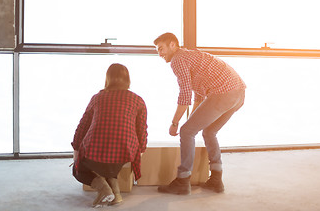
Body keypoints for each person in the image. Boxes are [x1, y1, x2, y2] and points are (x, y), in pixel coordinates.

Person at [154, 32, 246, 195]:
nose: (159, 54)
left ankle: (183, 181)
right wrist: (192, 121)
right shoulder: (191, 56)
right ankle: (216, 180)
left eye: (161, 49)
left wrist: (175, 123)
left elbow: (184, 94)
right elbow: (198, 94)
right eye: (157, 50)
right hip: (238, 94)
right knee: (209, 131)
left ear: (173, 45)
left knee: (186, 131)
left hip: (223, 93)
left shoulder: (178, 59)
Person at [71, 63, 148, 208]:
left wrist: (76, 149)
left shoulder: (97, 98)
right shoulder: (138, 100)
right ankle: (116, 195)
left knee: (78, 169)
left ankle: (104, 189)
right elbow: (142, 129)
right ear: (127, 80)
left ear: (108, 79)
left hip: (95, 152)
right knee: (110, 162)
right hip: (124, 153)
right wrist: (141, 150)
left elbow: (83, 125)